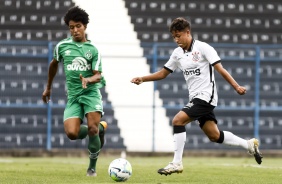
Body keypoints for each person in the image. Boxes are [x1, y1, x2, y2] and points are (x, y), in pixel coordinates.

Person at [131, 17, 263, 176]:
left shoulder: (203, 48)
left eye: (179, 35)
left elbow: (220, 69)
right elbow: (163, 73)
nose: (176, 40)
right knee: (214, 135)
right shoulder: (177, 53)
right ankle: (248, 144)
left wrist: (236, 87)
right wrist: (143, 79)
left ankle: (176, 163)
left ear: (188, 32)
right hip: (195, 98)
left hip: (206, 96)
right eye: (174, 37)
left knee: (177, 120)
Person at [42, 6, 107, 177]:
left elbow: (98, 76)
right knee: (72, 133)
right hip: (73, 97)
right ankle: (101, 128)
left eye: (78, 26)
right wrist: (48, 87)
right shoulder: (62, 46)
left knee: (91, 129)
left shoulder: (93, 50)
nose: (75, 30)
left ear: (85, 26)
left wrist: (87, 80)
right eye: (71, 27)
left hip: (91, 93)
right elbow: (53, 65)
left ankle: (92, 167)